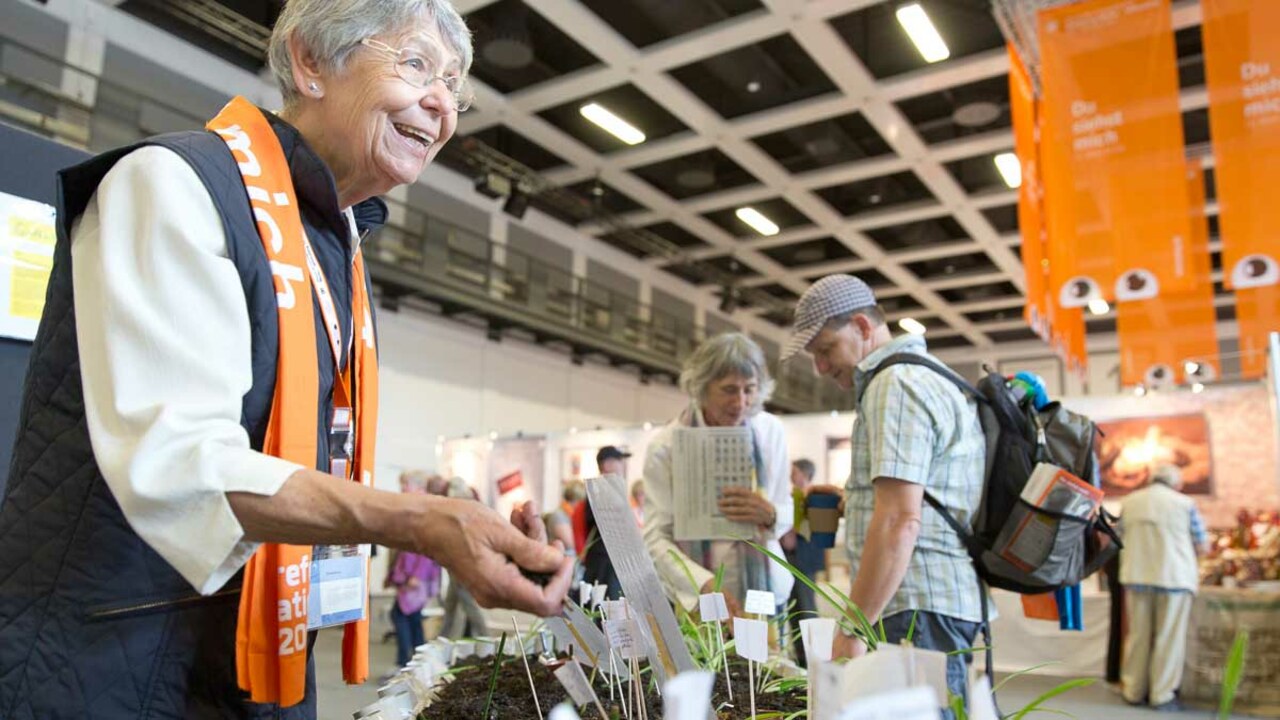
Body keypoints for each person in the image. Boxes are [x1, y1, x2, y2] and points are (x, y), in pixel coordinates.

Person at [0, 1, 572, 716]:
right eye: (417, 63)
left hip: (257, 658)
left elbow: (305, 457)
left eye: (454, 85)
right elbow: (181, 464)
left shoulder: (336, 244)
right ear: (310, 63)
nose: (442, 103)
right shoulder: (173, 185)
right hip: (112, 664)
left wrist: (462, 514)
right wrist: (416, 521)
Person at [781, 274, 985, 712]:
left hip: (916, 606)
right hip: (931, 604)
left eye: (825, 350)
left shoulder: (894, 385)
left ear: (862, 325)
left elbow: (900, 521)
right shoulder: (924, 376)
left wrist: (852, 628)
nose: (820, 368)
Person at [644, 333, 794, 617]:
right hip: (697, 594)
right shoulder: (666, 446)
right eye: (728, 389)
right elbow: (656, 536)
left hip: (765, 589)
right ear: (701, 387)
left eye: (749, 389)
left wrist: (771, 514)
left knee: (765, 662)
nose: (740, 402)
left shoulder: (769, 431)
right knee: (703, 662)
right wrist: (704, 584)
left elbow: (786, 509)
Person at [1118, 464, 1208, 711]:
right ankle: (1162, 694)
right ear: (1176, 484)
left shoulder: (1129, 501)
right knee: (1169, 638)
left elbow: (1117, 536)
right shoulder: (1184, 504)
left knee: (1138, 636)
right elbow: (1202, 545)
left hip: (1136, 575)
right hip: (1174, 577)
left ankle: (1133, 690)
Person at [386, 474, 442, 667]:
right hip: (410, 575)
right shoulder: (416, 507)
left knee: (402, 616)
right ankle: (417, 661)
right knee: (411, 619)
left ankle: (405, 662)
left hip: (415, 578)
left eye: (405, 485)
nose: (402, 489)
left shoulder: (424, 509)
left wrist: (417, 575)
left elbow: (428, 545)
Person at [780, 458, 826, 666]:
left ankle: (813, 659)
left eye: (795, 471)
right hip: (790, 559)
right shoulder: (791, 496)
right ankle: (801, 657)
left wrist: (794, 530)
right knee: (794, 609)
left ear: (805, 474)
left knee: (806, 608)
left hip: (805, 560)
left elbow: (821, 531)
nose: (791, 474)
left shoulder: (817, 497)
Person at [440, 478, 492, 639]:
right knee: (452, 603)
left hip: (463, 563)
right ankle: (443, 636)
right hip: (458, 563)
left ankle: (485, 637)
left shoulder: (464, 510)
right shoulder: (472, 508)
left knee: (467, 604)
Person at [578, 446, 632, 599]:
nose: (623, 465)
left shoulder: (606, 489)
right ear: (606, 464)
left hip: (610, 558)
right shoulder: (599, 491)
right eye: (619, 460)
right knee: (604, 605)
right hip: (603, 560)